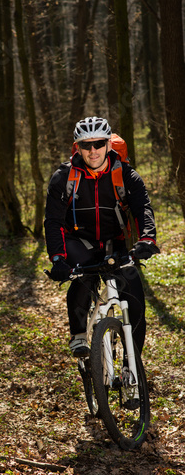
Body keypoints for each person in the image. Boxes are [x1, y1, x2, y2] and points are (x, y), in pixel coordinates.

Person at [44, 116, 159, 358]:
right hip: (78, 241)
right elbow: (53, 221)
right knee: (82, 275)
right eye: (86, 145)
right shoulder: (63, 178)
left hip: (113, 242)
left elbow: (142, 208)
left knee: (134, 294)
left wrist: (147, 239)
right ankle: (78, 336)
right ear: (78, 147)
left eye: (98, 143)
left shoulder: (126, 175)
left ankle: (133, 361)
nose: (93, 150)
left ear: (108, 145)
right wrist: (57, 259)